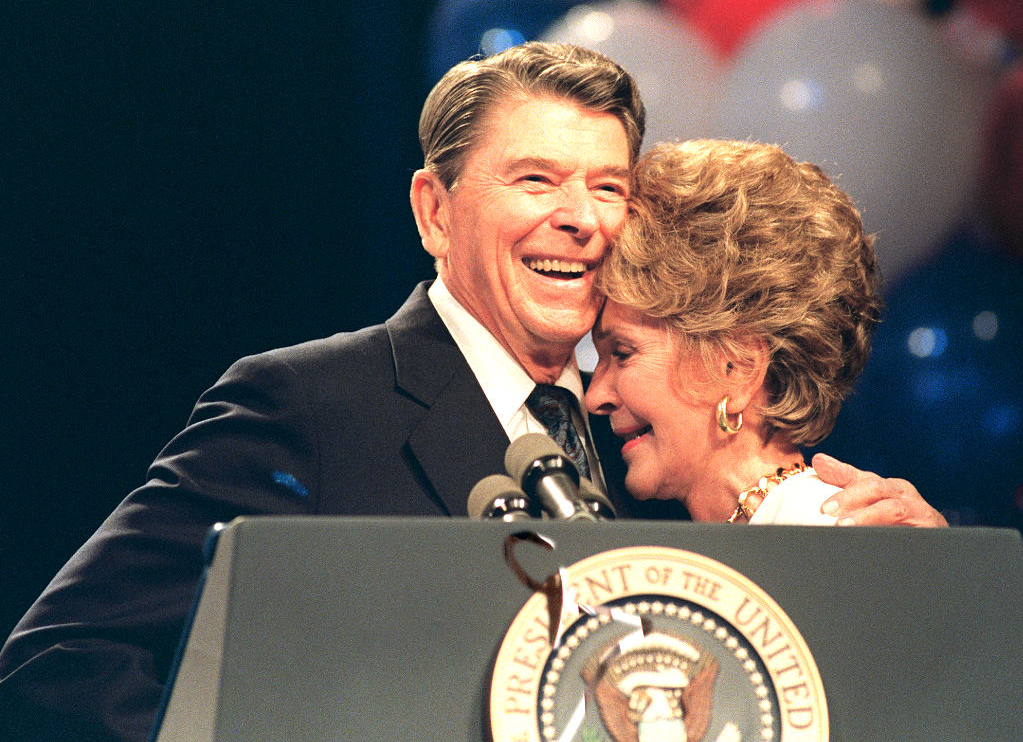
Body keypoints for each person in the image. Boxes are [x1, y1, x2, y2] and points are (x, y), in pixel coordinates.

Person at [0, 45, 934, 741]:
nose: (578, 216)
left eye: (609, 186)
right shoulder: (311, 408)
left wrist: (920, 577)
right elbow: (58, 667)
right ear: (434, 212)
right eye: (536, 178)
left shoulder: (646, 442)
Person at [585, 138, 947, 527]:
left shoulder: (841, 535)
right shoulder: (758, 530)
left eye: (622, 353)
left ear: (737, 367)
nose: (594, 397)